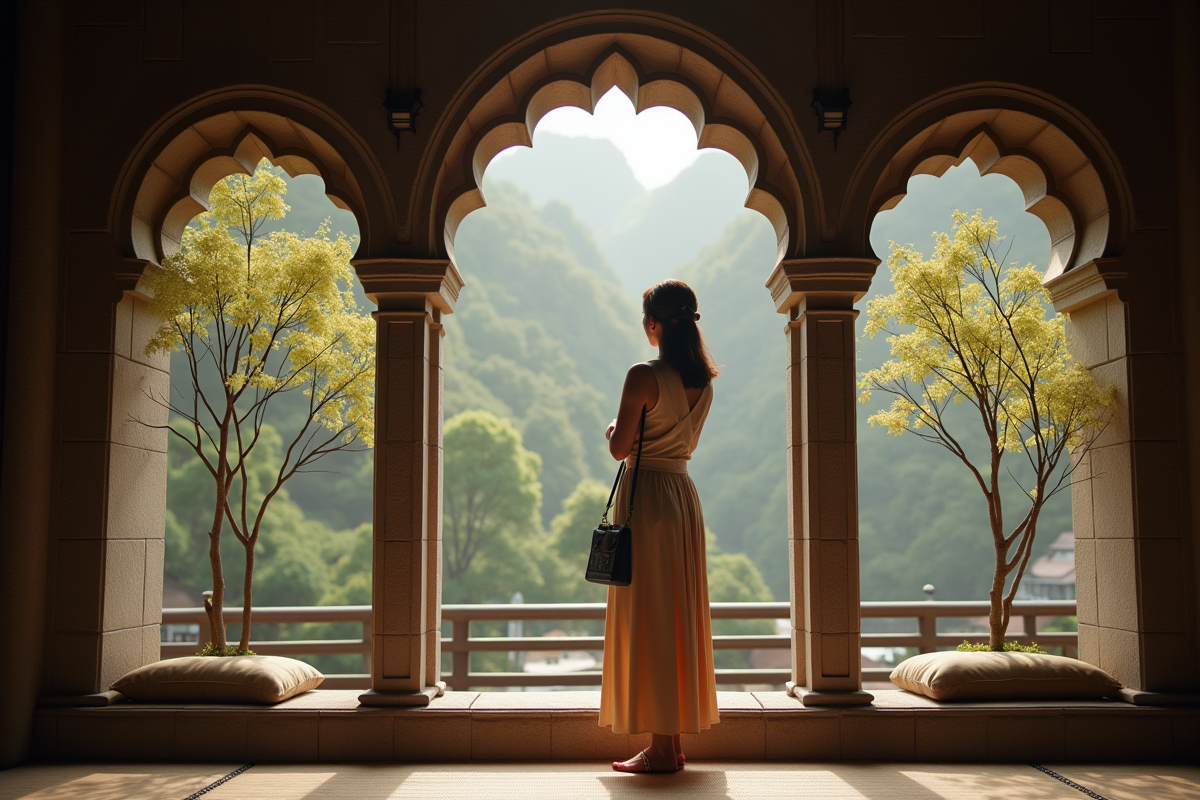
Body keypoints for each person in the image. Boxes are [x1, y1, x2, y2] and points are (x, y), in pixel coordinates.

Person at [600, 279, 720, 774]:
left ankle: (663, 749)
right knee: (675, 618)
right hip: (682, 499)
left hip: (646, 499)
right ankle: (668, 743)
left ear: (653, 323)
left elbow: (619, 447)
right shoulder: (703, 380)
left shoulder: (642, 375)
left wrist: (612, 429)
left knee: (649, 620)